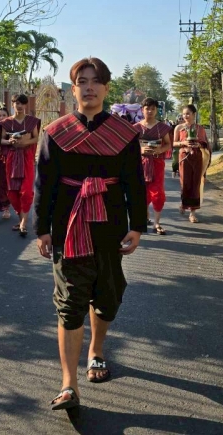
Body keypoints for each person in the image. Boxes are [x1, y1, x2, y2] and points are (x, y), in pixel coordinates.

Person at [35, 57, 146, 412]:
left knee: (108, 296)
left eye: (96, 81)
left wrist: (137, 225)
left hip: (110, 225)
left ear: (106, 88)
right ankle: (69, 384)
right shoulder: (56, 132)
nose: (89, 87)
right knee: (70, 303)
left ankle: (96, 350)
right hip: (67, 226)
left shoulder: (124, 135)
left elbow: (135, 183)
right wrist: (41, 228)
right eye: (82, 81)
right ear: (73, 89)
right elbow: (44, 185)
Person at [0, 94, 41, 236]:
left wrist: (25, 142)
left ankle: (23, 224)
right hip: (12, 158)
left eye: (22, 103)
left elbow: (36, 138)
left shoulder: (31, 121)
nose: (20, 106)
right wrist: (9, 141)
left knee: (26, 191)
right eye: (17, 103)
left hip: (27, 157)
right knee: (12, 192)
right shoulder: (7, 122)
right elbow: (1, 140)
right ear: (13, 104)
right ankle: (21, 219)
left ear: (25, 105)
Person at [135, 98, 172, 235]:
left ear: (156, 110)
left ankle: (157, 223)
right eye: (147, 108)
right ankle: (145, 217)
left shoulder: (162, 127)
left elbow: (168, 144)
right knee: (141, 193)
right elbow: (129, 146)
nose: (150, 111)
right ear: (142, 110)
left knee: (157, 194)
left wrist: (160, 150)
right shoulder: (136, 128)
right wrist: (140, 150)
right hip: (140, 164)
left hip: (157, 164)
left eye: (153, 109)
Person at [174, 104, 210, 223]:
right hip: (184, 157)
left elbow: (205, 144)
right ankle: (184, 203)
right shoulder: (179, 128)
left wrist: (198, 144)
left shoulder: (200, 129)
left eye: (188, 114)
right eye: (184, 114)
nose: (186, 116)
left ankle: (192, 213)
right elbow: (174, 143)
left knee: (196, 183)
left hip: (197, 157)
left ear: (194, 114)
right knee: (185, 183)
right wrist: (183, 143)